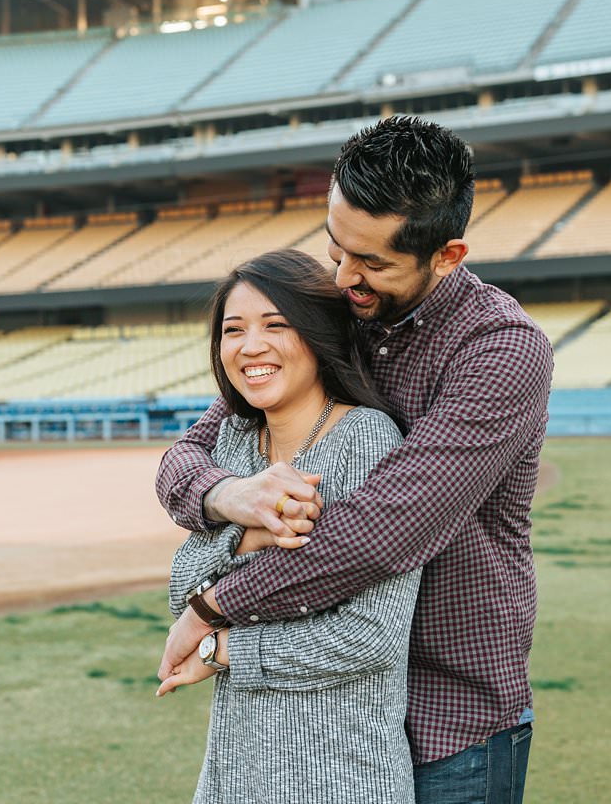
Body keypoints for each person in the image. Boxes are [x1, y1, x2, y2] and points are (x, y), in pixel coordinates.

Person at [156, 115, 554, 804]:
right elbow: (191, 454)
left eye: (370, 262)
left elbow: (379, 532)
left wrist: (212, 609)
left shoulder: (500, 351)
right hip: (323, 719)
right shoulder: (345, 314)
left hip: (450, 718)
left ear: (447, 255)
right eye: (336, 248)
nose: (344, 278)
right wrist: (232, 500)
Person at [156, 247, 420, 804]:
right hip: (234, 774)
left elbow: (371, 635)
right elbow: (183, 586)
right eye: (234, 330)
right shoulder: (232, 440)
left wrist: (223, 651)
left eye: (276, 325)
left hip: (343, 775)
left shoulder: (366, 439)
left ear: (319, 335)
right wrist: (247, 532)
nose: (251, 346)